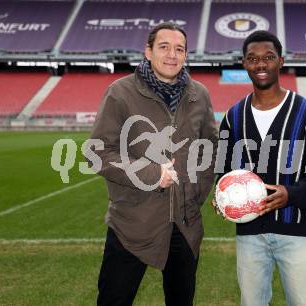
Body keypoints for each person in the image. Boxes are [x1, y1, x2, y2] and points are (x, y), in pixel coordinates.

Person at [90, 22, 218, 306]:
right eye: (164, 47)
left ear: (186, 55)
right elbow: (98, 152)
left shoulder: (199, 94)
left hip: (185, 225)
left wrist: (196, 194)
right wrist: (149, 173)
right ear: (148, 51)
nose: (172, 55)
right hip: (133, 223)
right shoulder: (120, 92)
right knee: (114, 300)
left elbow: (211, 148)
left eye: (179, 49)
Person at [215, 31, 306, 306]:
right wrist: (223, 197)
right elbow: (224, 170)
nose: (260, 64)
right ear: (244, 63)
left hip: (297, 232)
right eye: (253, 58)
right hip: (250, 235)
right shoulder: (233, 117)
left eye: (268, 57)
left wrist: (290, 195)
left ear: (280, 61)